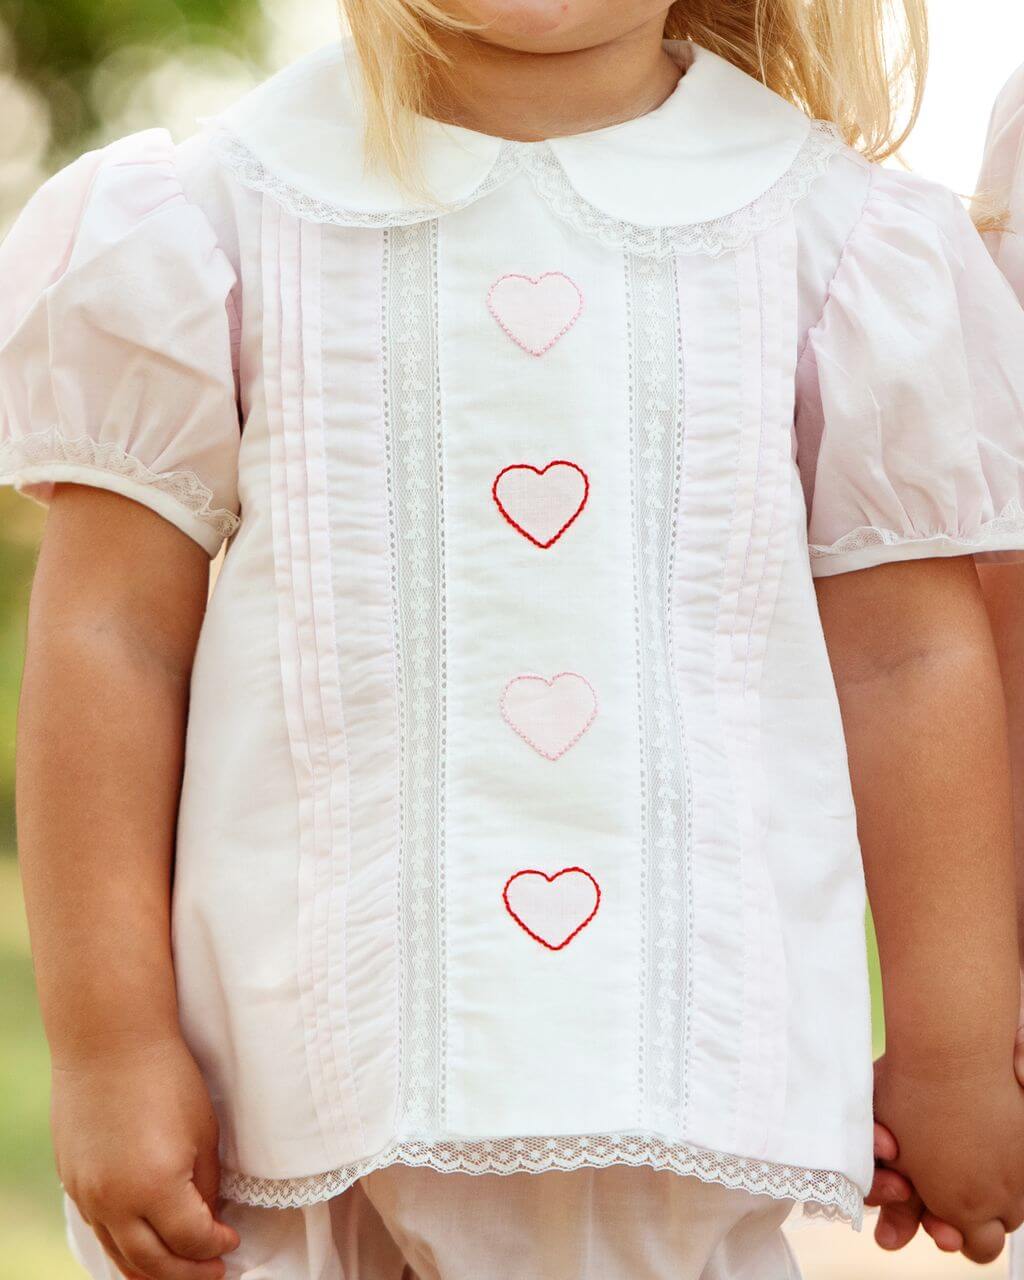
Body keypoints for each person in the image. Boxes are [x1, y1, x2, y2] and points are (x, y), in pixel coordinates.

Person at [4, 2, 1024, 1277]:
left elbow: (912, 661)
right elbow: (110, 638)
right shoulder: (209, 217)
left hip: (664, 1104)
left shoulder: (840, 242)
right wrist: (111, 1046)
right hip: (274, 1114)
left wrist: (957, 1047)